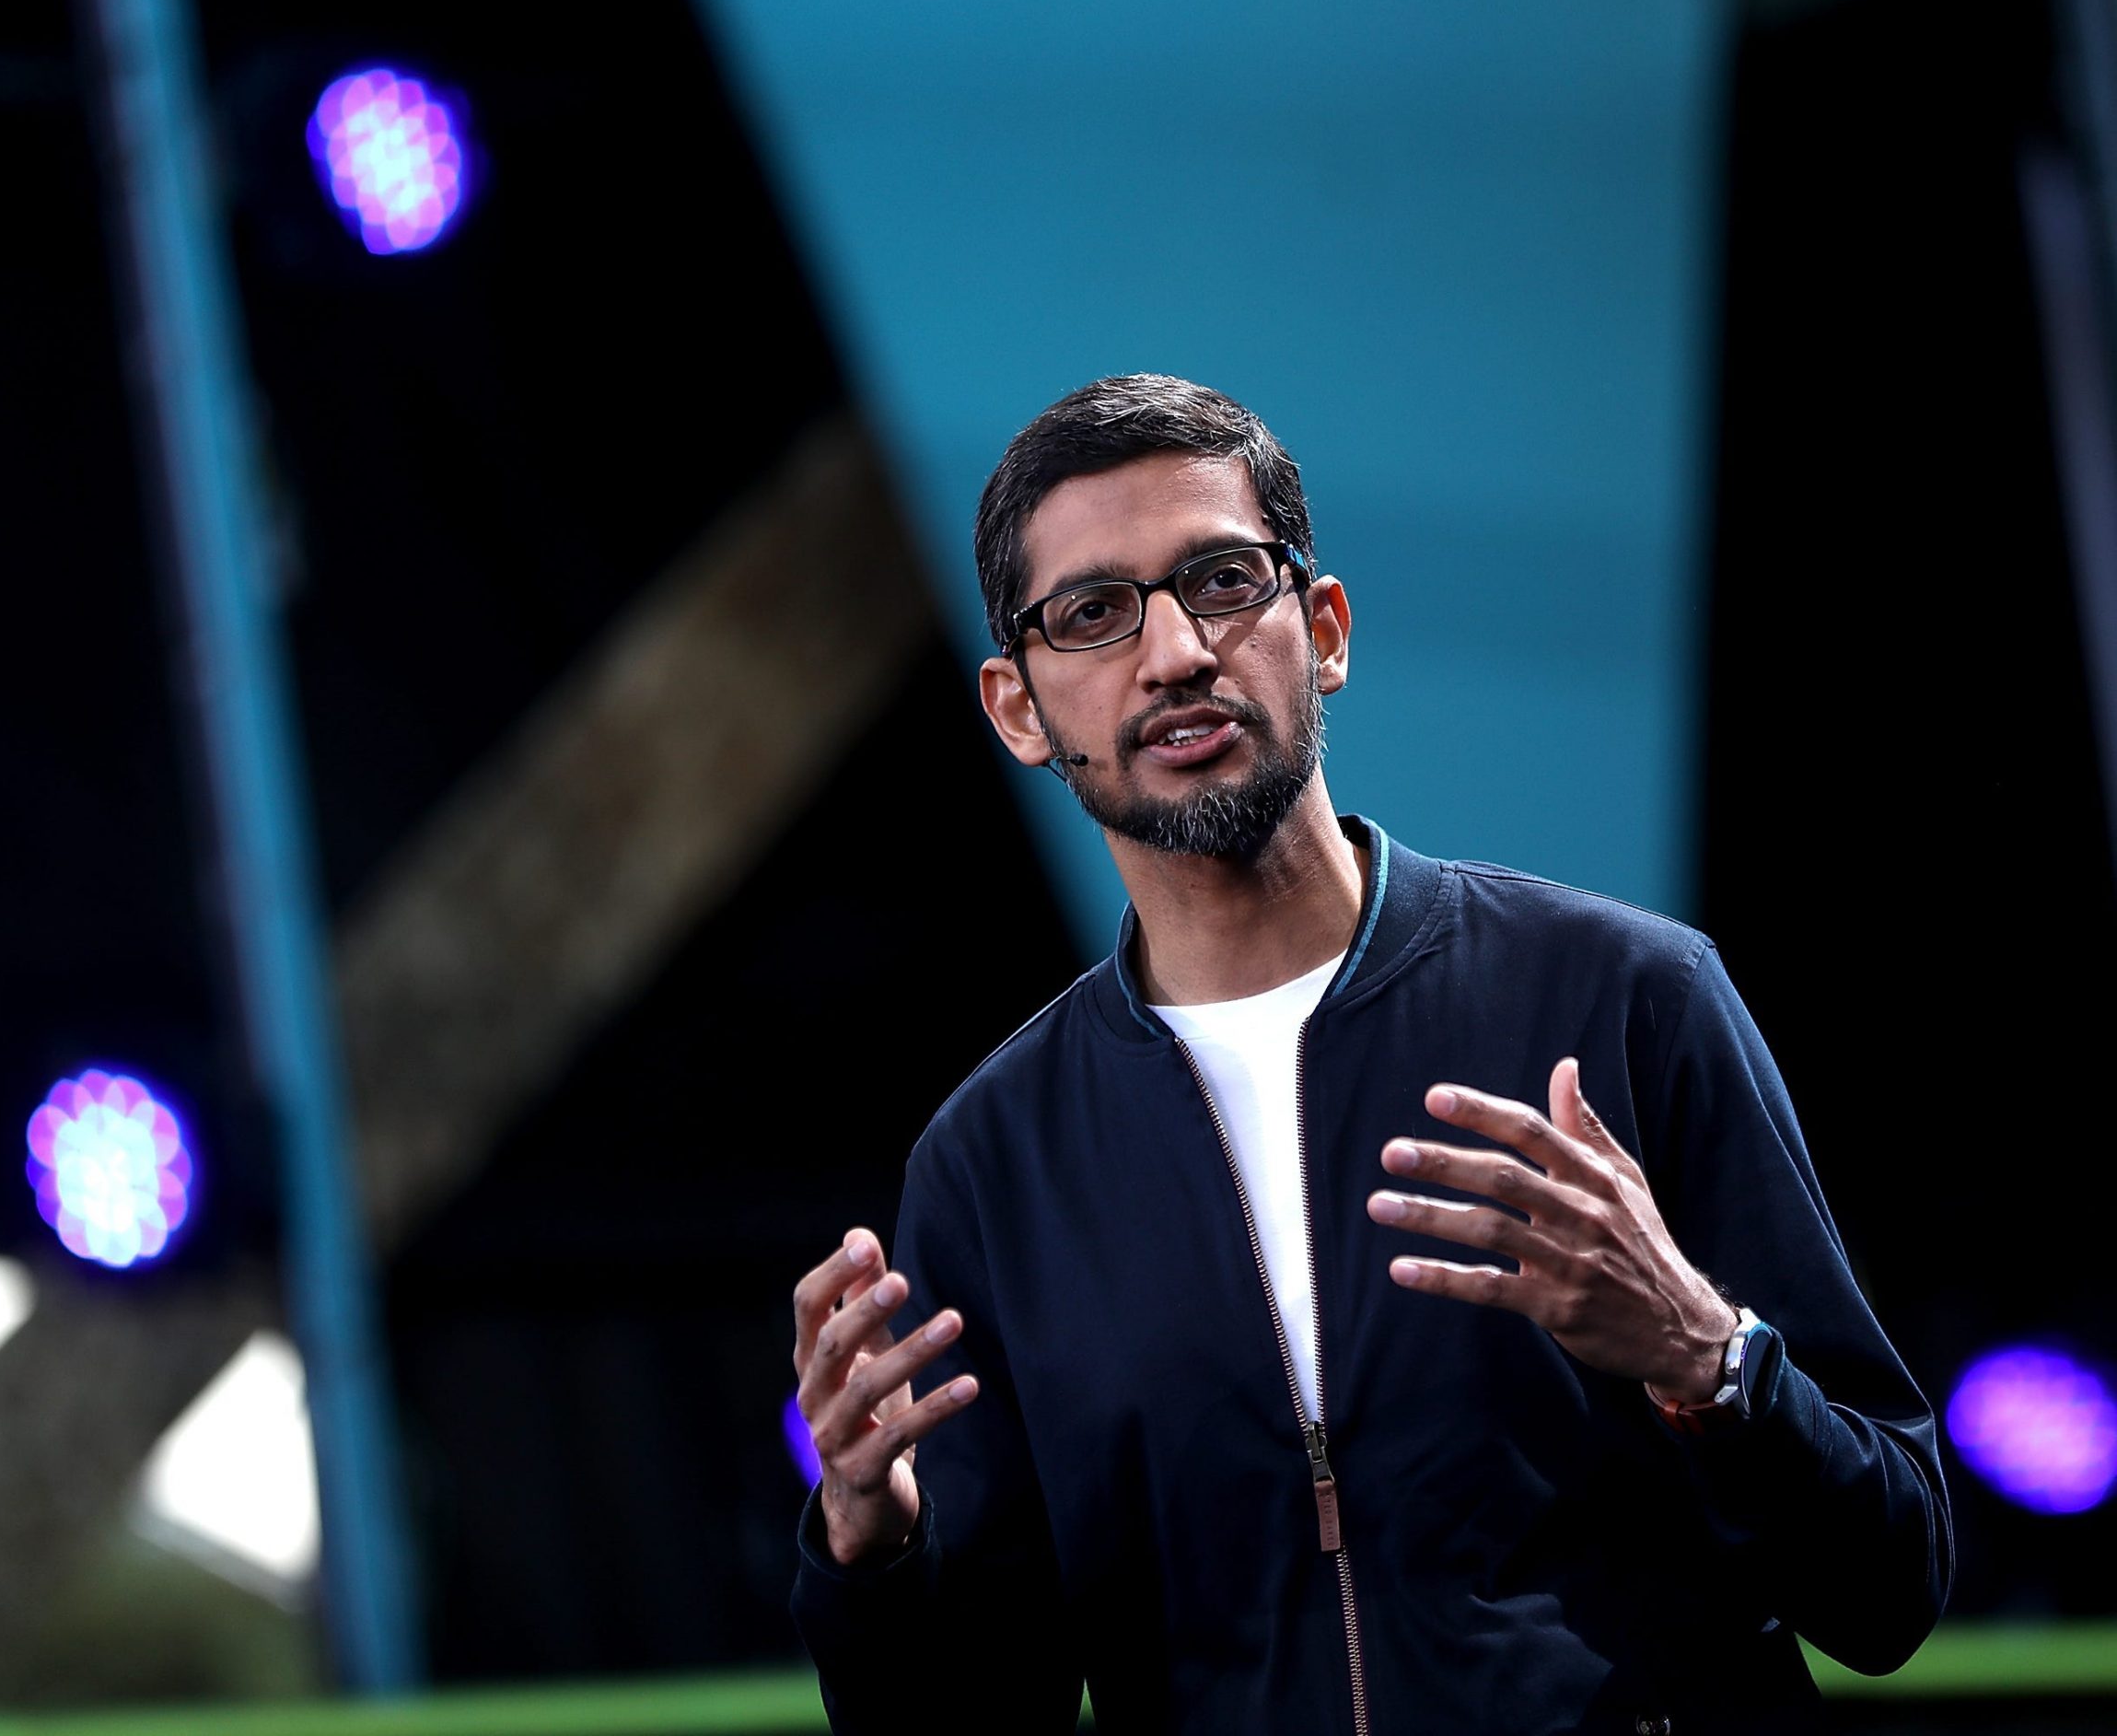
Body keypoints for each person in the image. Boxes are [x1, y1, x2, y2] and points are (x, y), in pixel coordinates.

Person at [787, 375, 1949, 1733]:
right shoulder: (993, 1164)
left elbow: (1891, 1590)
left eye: (1221, 580)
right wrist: (875, 1552)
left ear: (1322, 631)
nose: (1173, 656)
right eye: (1093, 616)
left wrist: (1711, 1359)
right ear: (1019, 709)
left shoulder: (1627, 997)